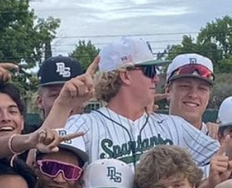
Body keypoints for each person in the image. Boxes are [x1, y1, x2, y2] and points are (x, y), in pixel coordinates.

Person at [46, 36, 219, 168]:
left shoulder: (173, 126)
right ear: (125, 75)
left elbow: (228, 160)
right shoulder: (85, 125)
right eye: (150, 70)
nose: (156, 78)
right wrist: (63, 105)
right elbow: (39, 161)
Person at [165, 53, 216, 135]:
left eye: (202, 88)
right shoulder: (146, 135)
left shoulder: (221, 141)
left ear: (209, 95)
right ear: (168, 91)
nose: (193, 95)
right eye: (185, 86)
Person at [37, 55, 84, 120]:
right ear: (40, 101)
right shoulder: (23, 129)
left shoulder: (98, 129)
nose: (63, 101)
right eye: (55, 95)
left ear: (83, 101)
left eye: (72, 94)